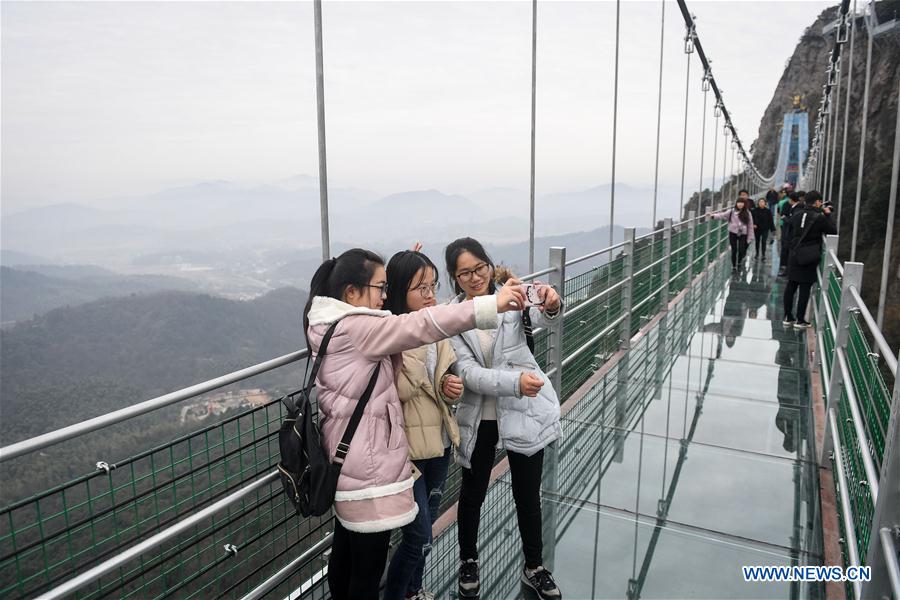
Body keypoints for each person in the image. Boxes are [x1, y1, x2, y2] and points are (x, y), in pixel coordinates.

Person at [303, 248, 526, 600]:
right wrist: (489, 305)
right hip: (370, 472)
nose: (384, 295)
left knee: (346, 556)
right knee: (367, 570)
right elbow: (419, 324)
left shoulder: (328, 325)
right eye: (380, 286)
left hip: (348, 461)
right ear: (351, 293)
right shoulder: (358, 327)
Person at [444, 237, 564, 600]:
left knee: (528, 494)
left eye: (479, 268)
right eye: (464, 273)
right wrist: (513, 382)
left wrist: (554, 303)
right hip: (481, 415)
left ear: (489, 264)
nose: (475, 277)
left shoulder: (512, 297)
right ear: (455, 277)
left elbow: (545, 317)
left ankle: (534, 567)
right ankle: (468, 560)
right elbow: (468, 375)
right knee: (473, 493)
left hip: (524, 410)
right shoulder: (454, 317)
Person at [383, 250, 464, 600]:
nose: (431, 295)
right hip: (408, 455)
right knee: (419, 535)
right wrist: (416, 338)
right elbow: (401, 388)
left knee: (425, 528)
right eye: (421, 288)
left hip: (440, 443)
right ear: (401, 293)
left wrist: (450, 388)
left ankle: (414, 591)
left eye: (433, 286)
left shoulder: (436, 329)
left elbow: (441, 383)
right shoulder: (390, 335)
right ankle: (398, 594)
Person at [783, 191, 836, 329]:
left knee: (791, 285)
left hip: (794, 253)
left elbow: (791, 230)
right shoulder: (819, 218)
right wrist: (828, 214)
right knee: (804, 287)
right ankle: (800, 320)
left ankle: (788, 317)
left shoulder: (797, 214)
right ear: (817, 202)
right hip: (809, 255)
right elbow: (832, 231)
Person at [710, 197, 755, 273]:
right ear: (736, 203)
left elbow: (750, 225)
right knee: (734, 250)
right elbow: (722, 215)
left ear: (744, 204)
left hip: (743, 233)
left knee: (741, 250)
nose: (740, 204)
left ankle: (739, 262)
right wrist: (713, 216)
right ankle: (734, 266)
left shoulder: (747, 213)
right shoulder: (731, 212)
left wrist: (750, 237)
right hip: (733, 233)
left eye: (742, 203)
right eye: (738, 202)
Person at [777, 191, 801, 277]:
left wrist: (784, 218)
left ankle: (787, 271)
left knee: (788, 252)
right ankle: (786, 269)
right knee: (787, 251)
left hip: (790, 234)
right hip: (788, 232)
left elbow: (792, 221)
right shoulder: (795, 207)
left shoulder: (797, 209)